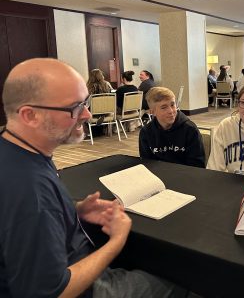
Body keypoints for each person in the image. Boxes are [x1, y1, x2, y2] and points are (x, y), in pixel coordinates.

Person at [0, 58, 186, 298]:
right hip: (85, 288)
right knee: (182, 273)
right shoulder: (28, 188)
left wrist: (73, 210)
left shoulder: (19, 153)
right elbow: (54, 292)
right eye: (75, 107)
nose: (87, 114)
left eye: (85, 103)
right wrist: (115, 243)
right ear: (30, 115)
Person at [139, 87, 205, 168]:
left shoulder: (190, 129)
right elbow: (147, 164)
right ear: (153, 112)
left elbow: (198, 165)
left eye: (172, 105)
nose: (171, 111)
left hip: (186, 176)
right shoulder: (146, 132)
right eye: (164, 107)